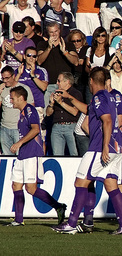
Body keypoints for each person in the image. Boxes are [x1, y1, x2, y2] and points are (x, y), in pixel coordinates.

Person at [54, 67, 122, 235]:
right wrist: (69, 98)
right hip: (114, 149)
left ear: (91, 81)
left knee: (80, 182)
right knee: (111, 184)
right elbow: (90, 111)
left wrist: (104, 146)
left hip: (99, 148)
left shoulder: (99, 97)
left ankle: (72, 223)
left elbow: (108, 121)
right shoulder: (108, 97)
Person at [8, 86, 66, 227]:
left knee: (31, 188)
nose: (11, 101)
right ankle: (18, 220)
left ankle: (58, 206)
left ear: (21, 98)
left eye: (12, 98)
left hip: (31, 153)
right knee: (16, 185)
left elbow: (35, 129)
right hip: (22, 154)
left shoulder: (29, 110)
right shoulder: (22, 113)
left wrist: (19, 142)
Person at [37, 22, 79, 108]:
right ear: (47, 33)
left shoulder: (68, 45)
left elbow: (76, 62)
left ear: (59, 31)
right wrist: (48, 48)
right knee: (49, 111)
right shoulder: (42, 44)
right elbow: (39, 61)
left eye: (56, 31)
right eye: (51, 32)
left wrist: (65, 52)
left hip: (66, 85)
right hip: (50, 85)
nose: (54, 34)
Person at [15, 46, 49, 144]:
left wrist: (33, 75)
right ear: (24, 56)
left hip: (37, 108)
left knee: (40, 137)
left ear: (37, 58)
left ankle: (40, 158)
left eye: (34, 56)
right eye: (29, 55)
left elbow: (43, 87)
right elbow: (13, 87)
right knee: (22, 135)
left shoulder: (41, 71)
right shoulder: (18, 70)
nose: (31, 58)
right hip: (21, 109)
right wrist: (18, 75)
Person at [46, 72, 83, 156]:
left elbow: (75, 112)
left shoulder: (75, 94)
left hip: (71, 127)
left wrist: (61, 103)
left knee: (74, 154)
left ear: (67, 82)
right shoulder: (56, 93)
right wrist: (51, 104)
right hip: (57, 127)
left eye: (59, 81)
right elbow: (48, 114)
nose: (57, 83)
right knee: (57, 155)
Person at [0, 66, 34, 155]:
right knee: (7, 157)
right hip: (4, 128)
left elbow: (31, 108)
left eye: (7, 78)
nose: (5, 80)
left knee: (20, 156)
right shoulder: (2, 89)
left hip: (18, 128)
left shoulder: (24, 88)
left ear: (13, 76)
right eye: (3, 78)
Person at [66, 29, 90, 102]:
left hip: (83, 77)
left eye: (78, 40)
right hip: (71, 77)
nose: (76, 43)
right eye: (73, 41)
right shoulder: (68, 50)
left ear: (82, 40)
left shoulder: (87, 49)